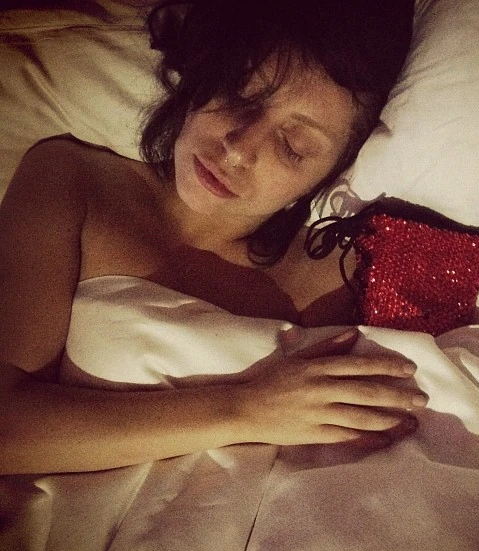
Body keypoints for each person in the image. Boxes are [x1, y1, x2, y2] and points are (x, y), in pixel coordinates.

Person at [0, 0, 426, 475]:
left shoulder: (353, 272)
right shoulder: (74, 179)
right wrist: (245, 410)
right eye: (239, 96)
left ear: (332, 172)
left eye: (293, 146)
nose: (239, 151)